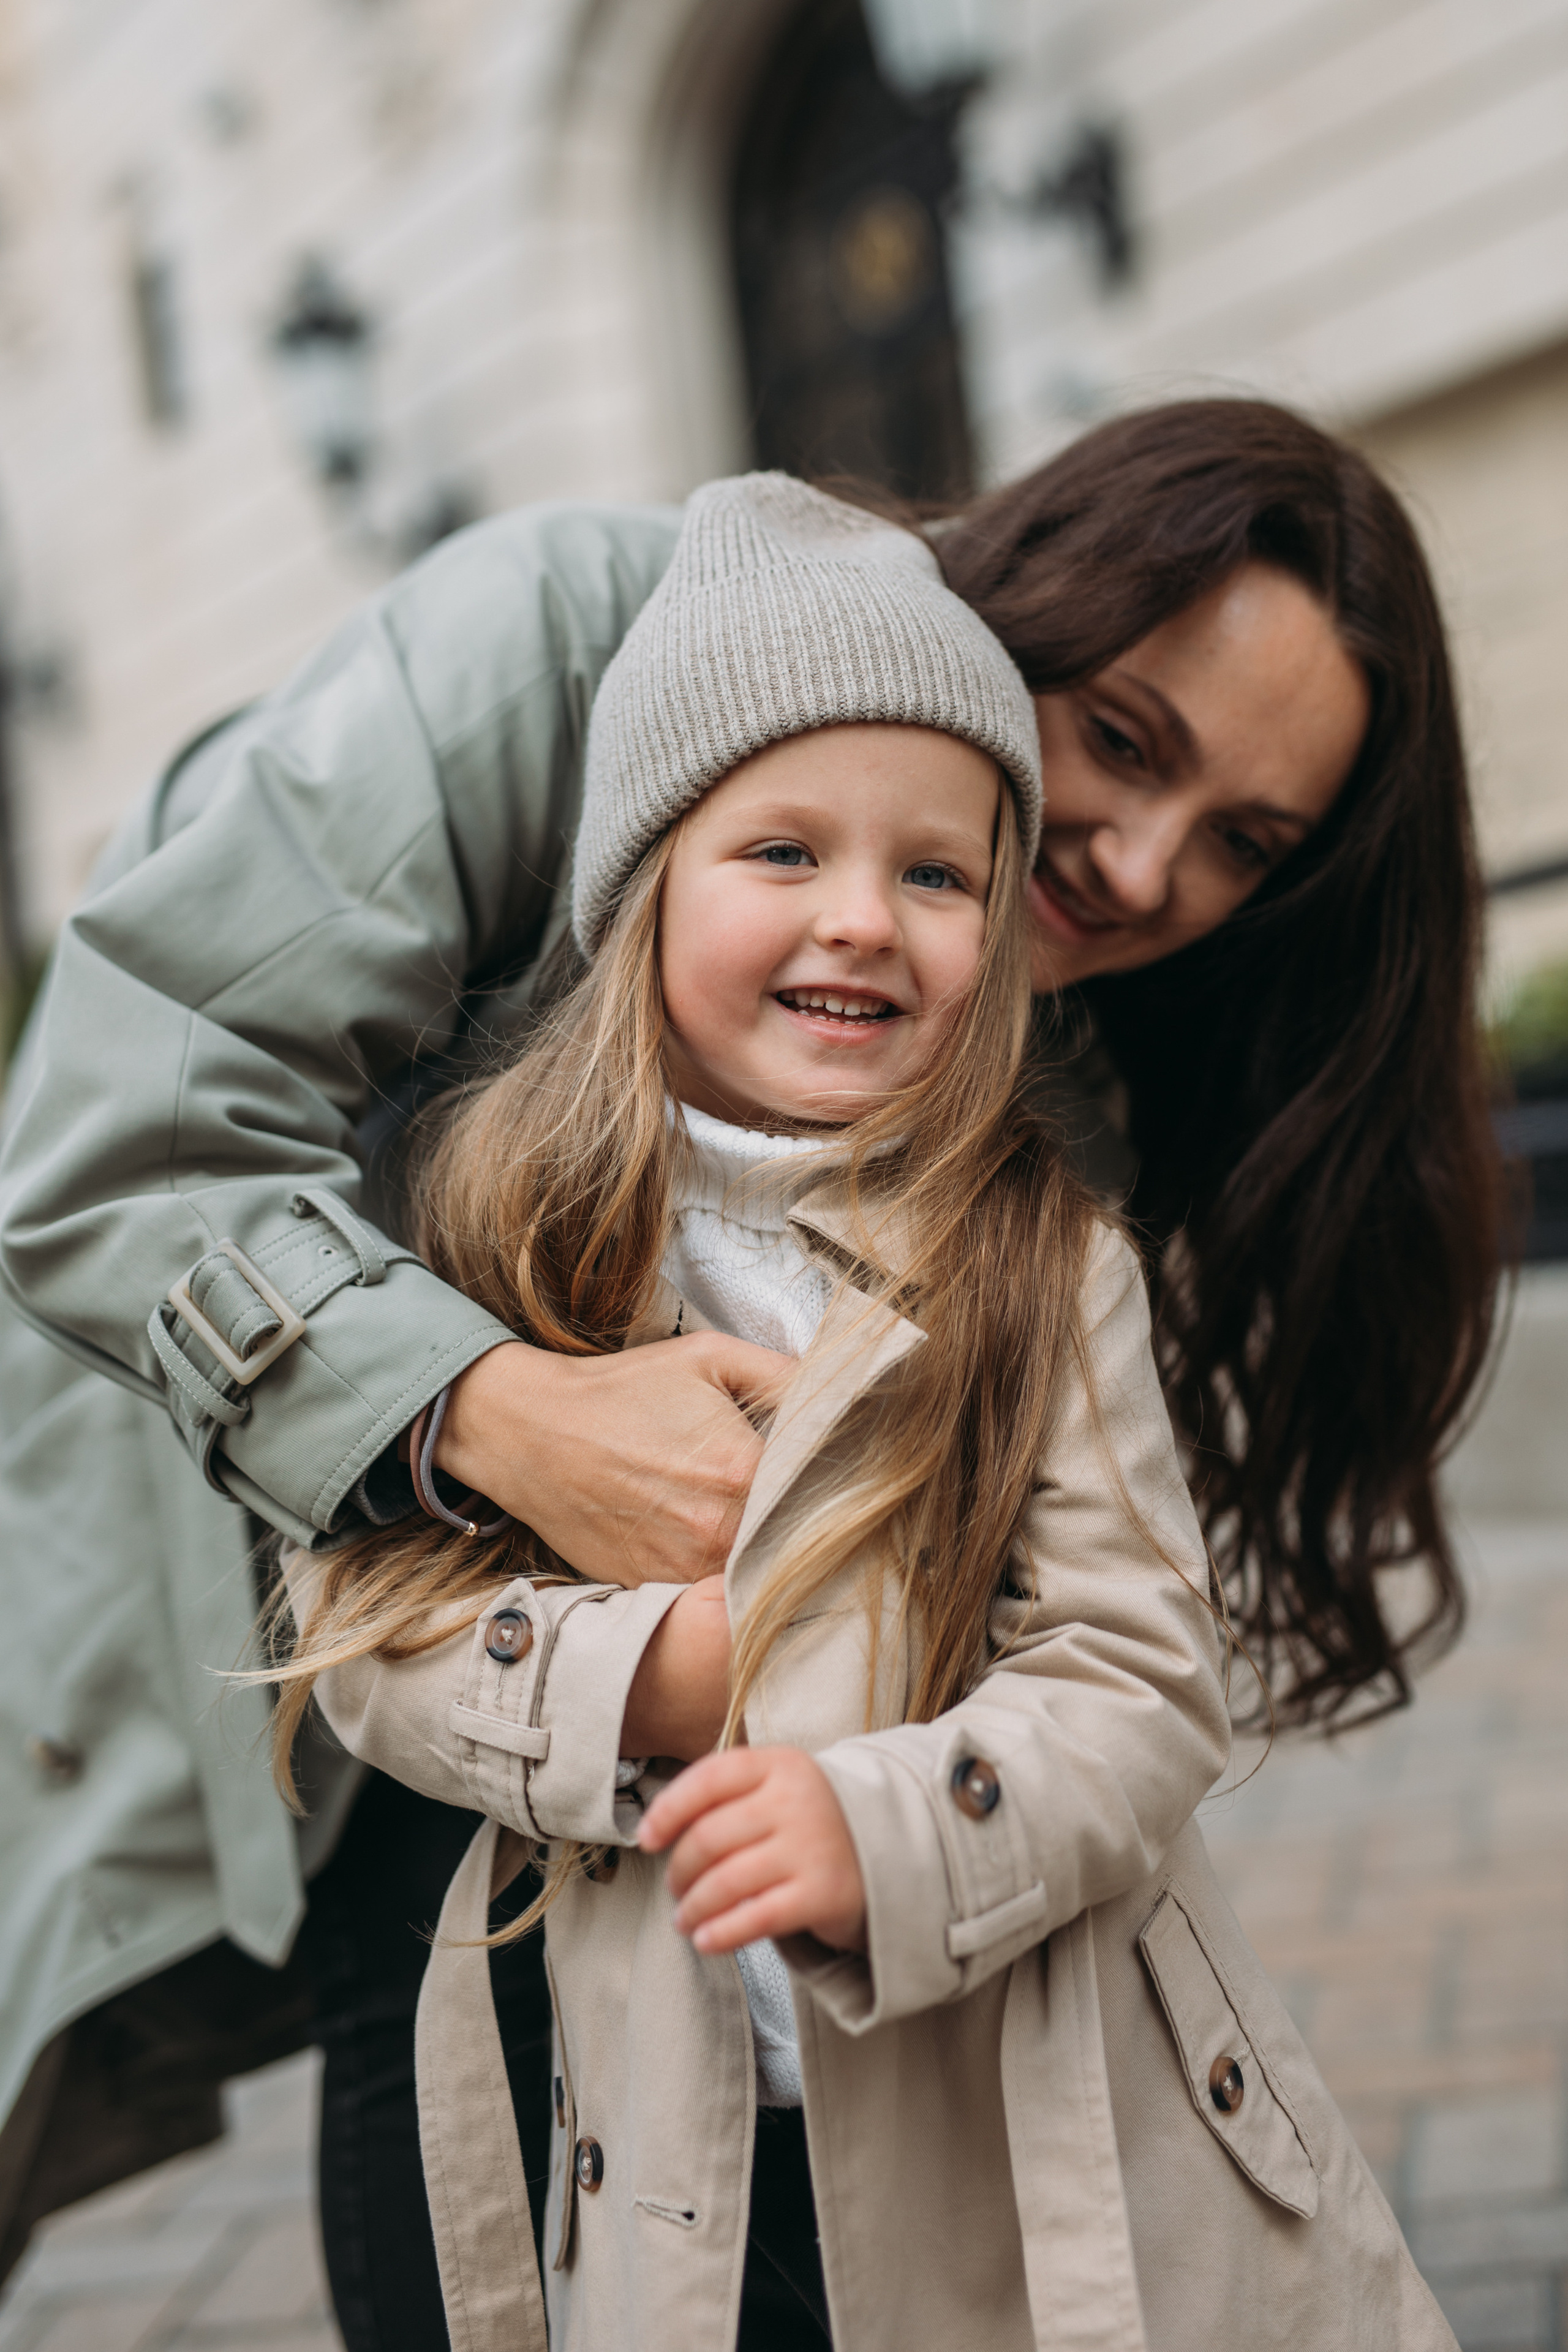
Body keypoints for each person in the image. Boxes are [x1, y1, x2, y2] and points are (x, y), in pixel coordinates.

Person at [0, 402, 1499, 2345]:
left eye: (1244, 847)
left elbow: (1121, 1654)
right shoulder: (551, 655)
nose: (1135, 864)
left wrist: (906, 1803)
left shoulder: (1048, 1158)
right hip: (272, 1540)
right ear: (1022, 598)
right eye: (1122, 741)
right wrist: (500, 1420)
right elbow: (137, 1115)